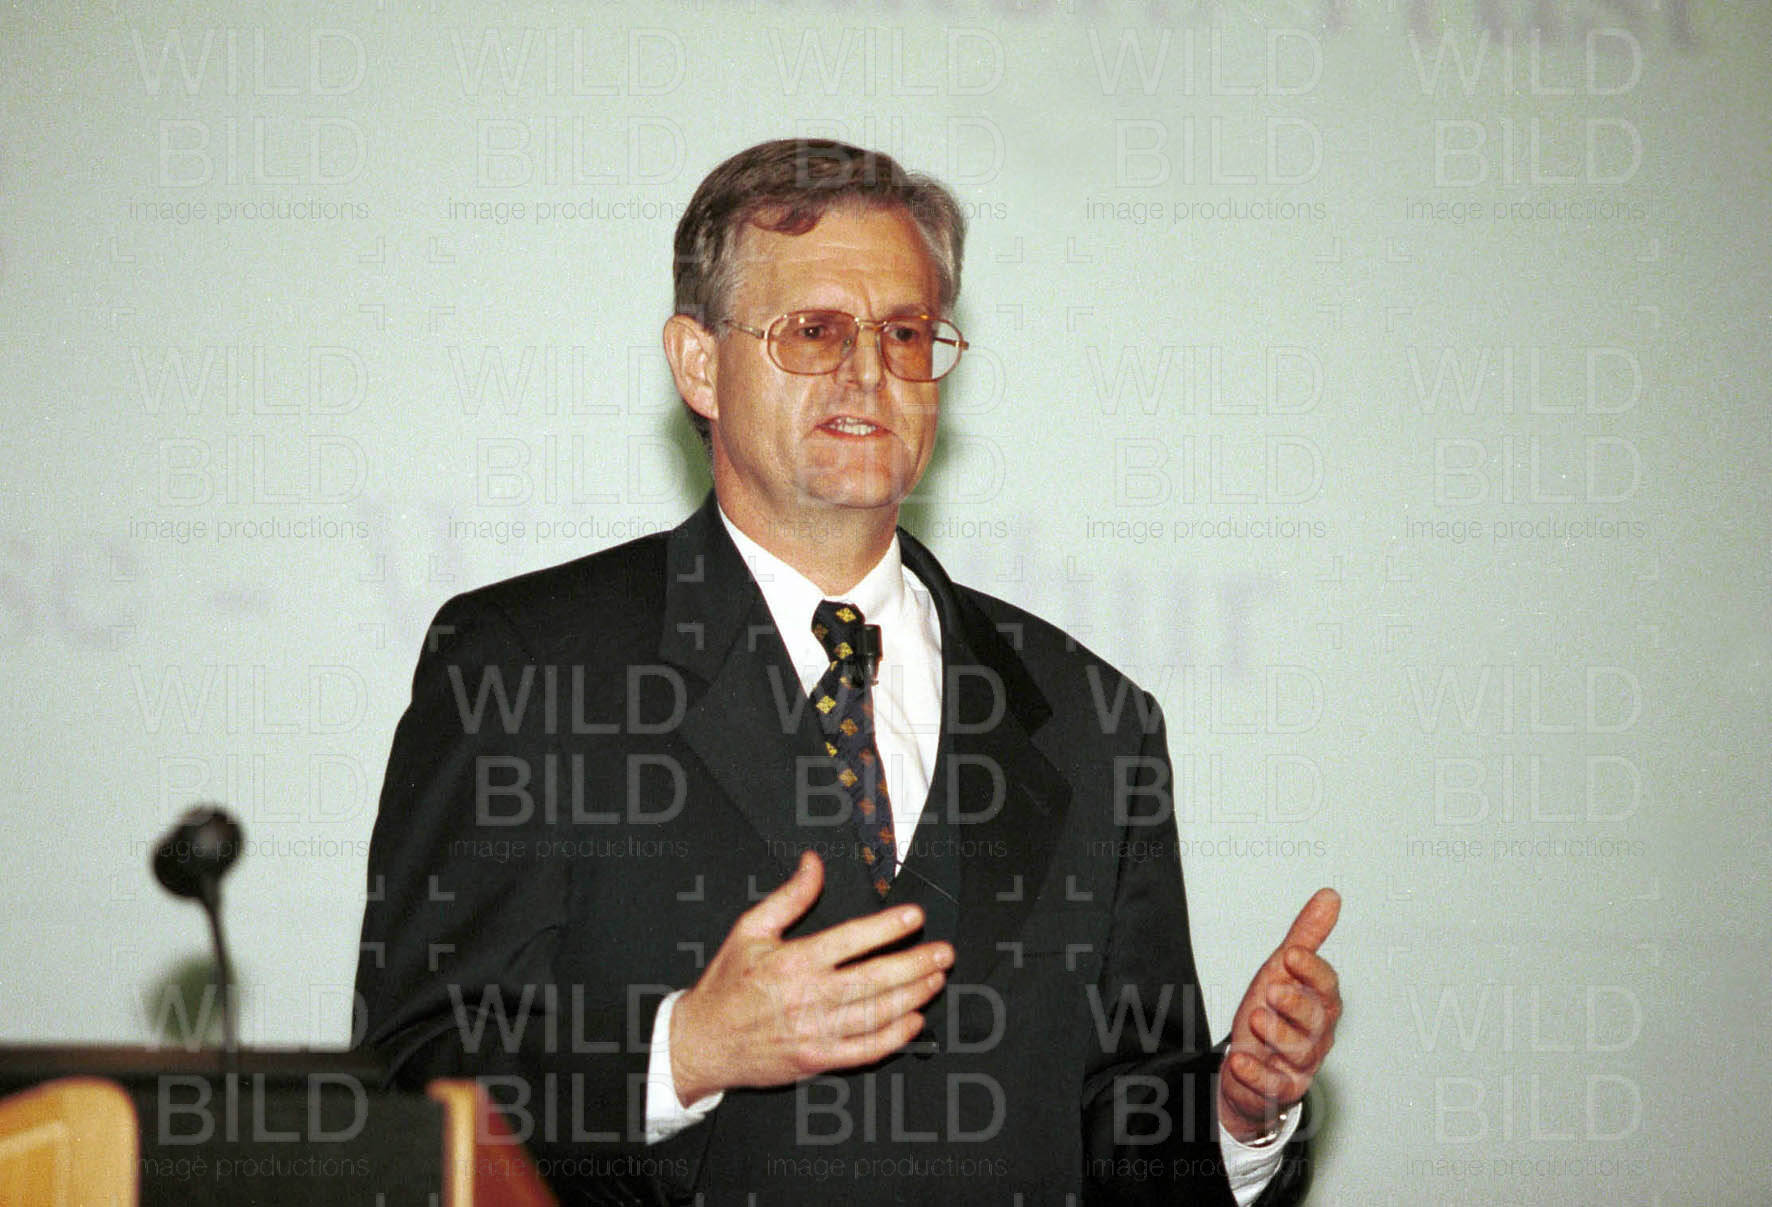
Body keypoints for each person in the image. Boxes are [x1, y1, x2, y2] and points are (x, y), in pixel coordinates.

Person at [354, 139, 1341, 1206]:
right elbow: (415, 1085)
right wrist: (684, 1051)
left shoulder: (1093, 719)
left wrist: (1234, 1114)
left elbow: (1120, 1130)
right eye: (815, 330)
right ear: (698, 364)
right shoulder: (524, 665)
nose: (868, 372)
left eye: (904, 333)